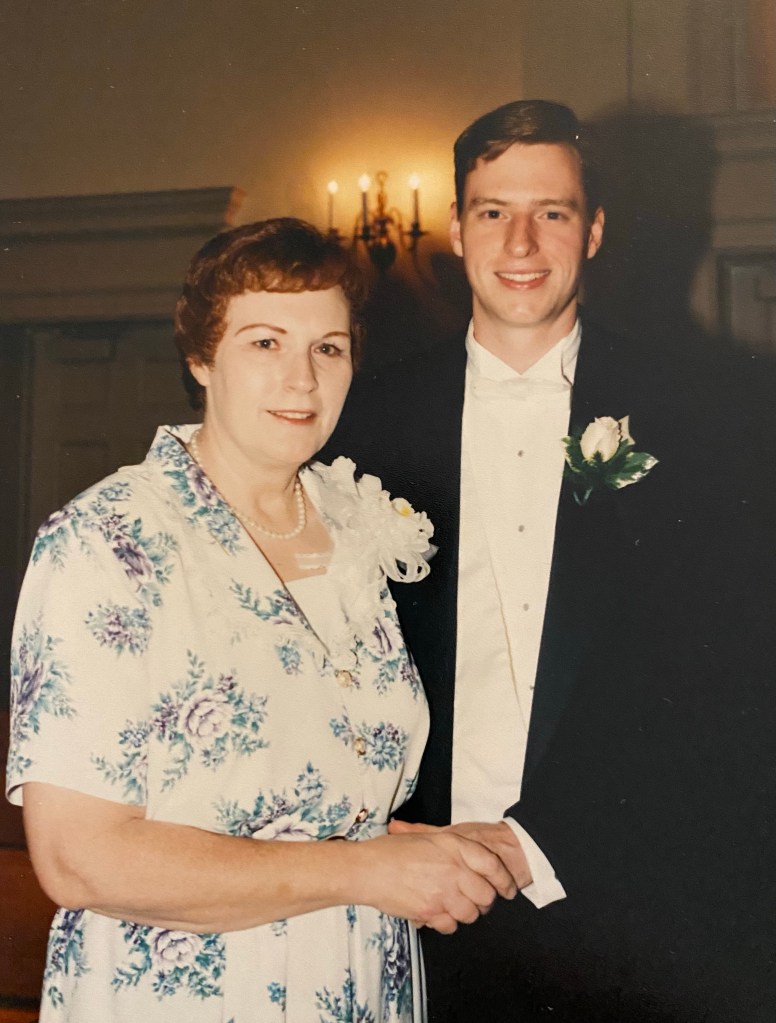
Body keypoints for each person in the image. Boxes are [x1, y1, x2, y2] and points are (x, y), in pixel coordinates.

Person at [5, 218, 522, 1023]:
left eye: (328, 347)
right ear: (201, 357)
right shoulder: (108, 540)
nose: (302, 380)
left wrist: (411, 847)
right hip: (186, 995)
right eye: (265, 342)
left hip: (358, 978)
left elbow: (314, 796)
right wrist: (361, 871)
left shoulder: (360, 525)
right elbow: (81, 858)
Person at [326, 102, 776, 1021]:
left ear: (596, 230)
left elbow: (730, 678)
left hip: (632, 914)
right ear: (454, 229)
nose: (521, 241)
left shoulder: (710, 420)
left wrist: (541, 842)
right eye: (493, 211)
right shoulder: (363, 421)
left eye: (554, 212)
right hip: (413, 904)